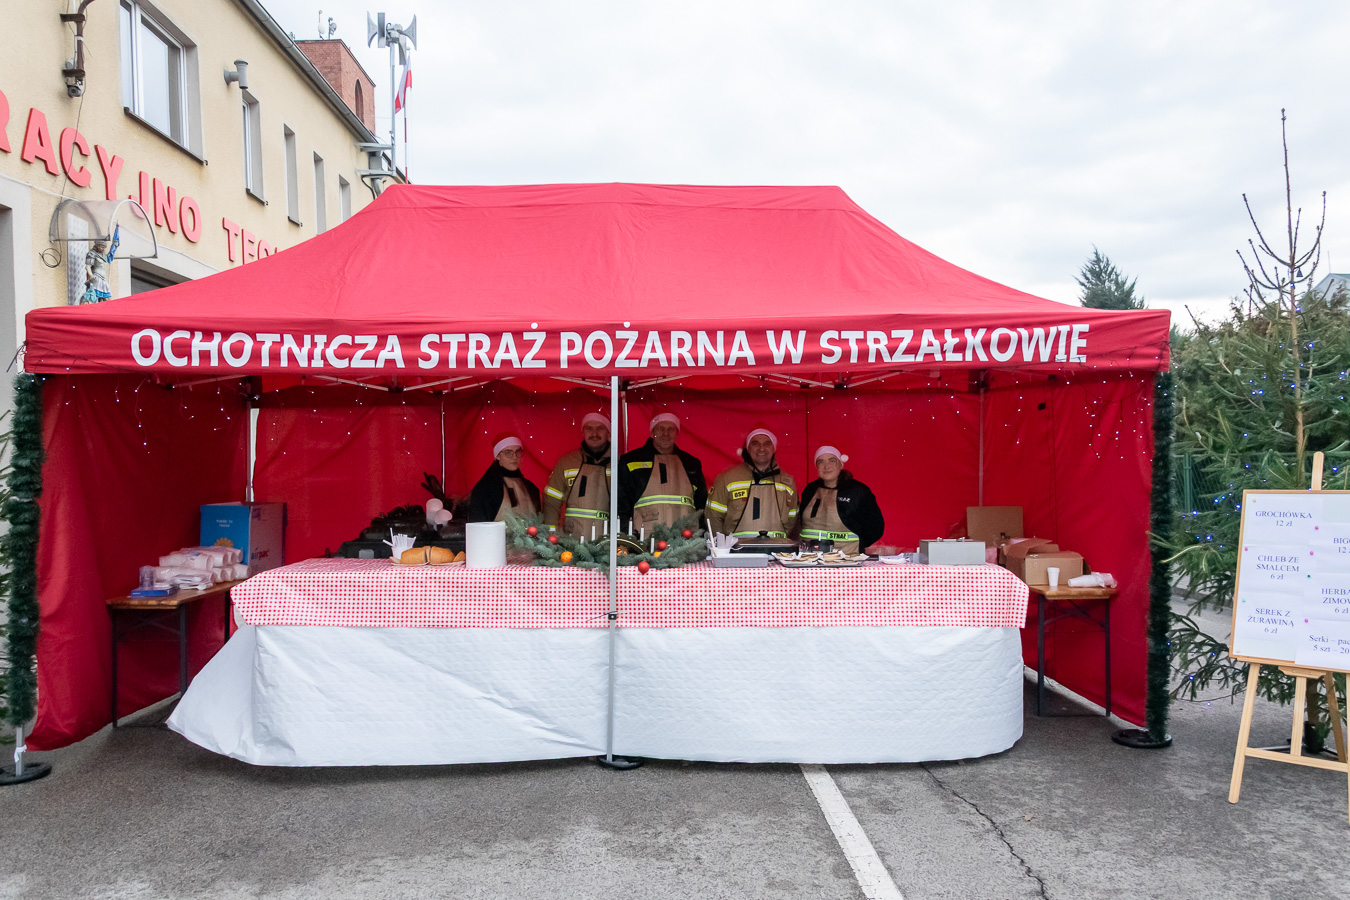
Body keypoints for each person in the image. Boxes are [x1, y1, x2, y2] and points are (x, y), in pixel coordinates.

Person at [617, 412, 707, 532]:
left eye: (671, 429)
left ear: (677, 433)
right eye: (660, 428)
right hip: (644, 538)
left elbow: (702, 505)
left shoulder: (691, 464)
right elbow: (622, 505)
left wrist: (701, 536)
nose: (665, 433)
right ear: (652, 432)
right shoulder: (630, 461)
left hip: (686, 539)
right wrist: (626, 536)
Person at [706, 427, 797, 538]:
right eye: (755, 443)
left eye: (767, 444)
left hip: (777, 547)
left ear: (774, 448)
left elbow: (792, 520)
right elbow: (713, 516)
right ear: (748, 448)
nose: (761, 449)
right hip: (737, 548)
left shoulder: (787, 482)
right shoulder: (727, 478)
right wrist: (723, 545)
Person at [795, 445, 884, 554]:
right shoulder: (810, 490)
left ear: (841, 464)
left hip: (846, 557)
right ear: (816, 466)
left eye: (832, 460)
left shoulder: (858, 491)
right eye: (821, 462)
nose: (826, 466)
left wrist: (858, 545)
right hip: (810, 557)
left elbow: (876, 527)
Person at [543, 412, 612, 539]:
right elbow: (551, 503)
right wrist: (551, 536)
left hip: (608, 542)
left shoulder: (619, 463)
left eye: (600, 428)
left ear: (609, 433)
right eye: (589, 428)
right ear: (582, 432)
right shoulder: (566, 463)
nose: (594, 433)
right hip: (571, 540)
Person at [468, 435, 541, 523]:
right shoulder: (485, 488)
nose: (514, 457)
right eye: (508, 453)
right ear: (498, 456)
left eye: (518, 452)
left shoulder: (532, 488)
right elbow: (477, 523)